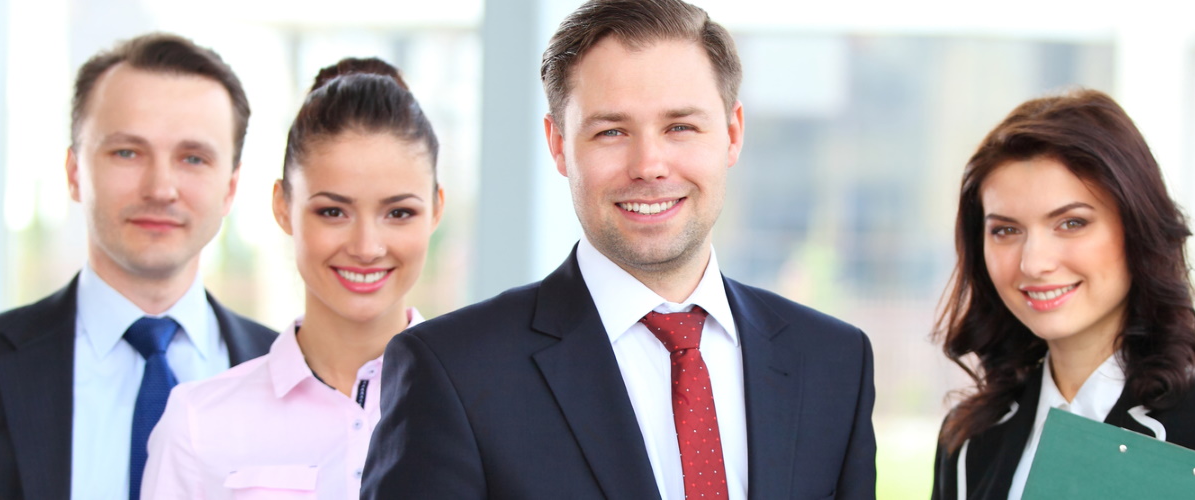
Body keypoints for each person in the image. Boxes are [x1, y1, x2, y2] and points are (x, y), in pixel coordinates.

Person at [360, 0, 876, 498]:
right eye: (611, 131)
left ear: (733, 133)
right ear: (559, 144)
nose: (649, 164)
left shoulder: (833, 362)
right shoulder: (454, 371)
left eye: (680, 127)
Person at [0, 33, 276, 500]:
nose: (161, 187)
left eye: (193, 158)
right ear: (74, 172)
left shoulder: (299, 377)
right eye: (127, 152)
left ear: (230, 188)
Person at [931, 89, 1195, 500]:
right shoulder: (970, 439)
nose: (1033, 263)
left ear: (1135, 230)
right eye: (1006, 230)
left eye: (1071, 223)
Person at [138, 57, 444, 499]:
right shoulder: (198, 423)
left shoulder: (491, 409)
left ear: (436, 209)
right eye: (332, 211)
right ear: (283, 206)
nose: (366, 246)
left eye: (399, 212)